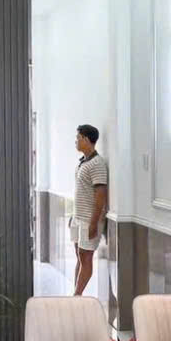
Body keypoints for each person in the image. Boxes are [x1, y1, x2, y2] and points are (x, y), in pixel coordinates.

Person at [71, 124, 108, 296]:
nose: (76, 141)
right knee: (79, 255)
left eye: (78, 138)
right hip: (78, 218)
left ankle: (77, 296)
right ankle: (76, 294)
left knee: (86, 257)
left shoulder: (97, 164)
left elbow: (100, 196)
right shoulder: (83, 162)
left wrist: (94, 223)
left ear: (86, 139)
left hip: (88, 220)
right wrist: (73, 217)